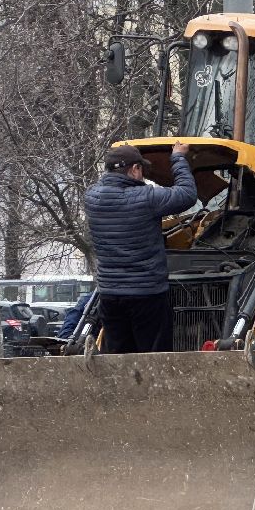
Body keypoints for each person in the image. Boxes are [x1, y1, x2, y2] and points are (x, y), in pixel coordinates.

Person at [84, 142, 198, 353]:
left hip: (109, 295)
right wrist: (179, 158)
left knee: (117, 358)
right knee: (152, 358)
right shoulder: (147, 197)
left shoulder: (91, 198)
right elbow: (187, 194)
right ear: (135, 169)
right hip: (147, 294)